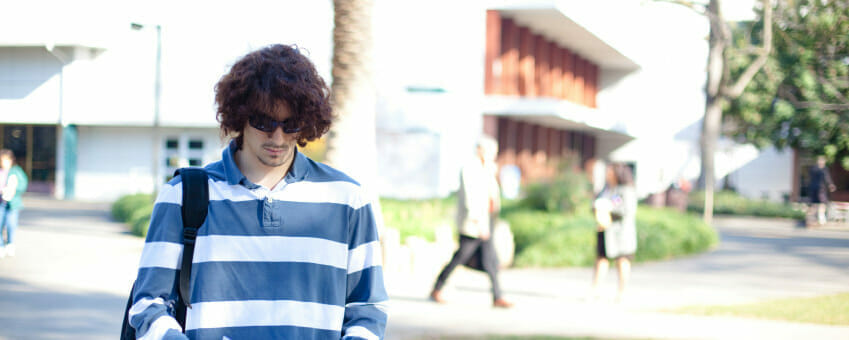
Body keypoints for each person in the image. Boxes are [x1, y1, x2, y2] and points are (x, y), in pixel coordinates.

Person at [128, 44, 388, 339]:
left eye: (291, 124)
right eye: (264, 122)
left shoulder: (347, 199)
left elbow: (367, 308)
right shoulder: (183, 196)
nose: (277, 137)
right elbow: (149, 304)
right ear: (240, 117)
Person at [429, 136, 513, 308]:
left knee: (490, 260)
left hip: (487, 220)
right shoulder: (469, 169)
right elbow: (470, 199)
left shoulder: (487, 169)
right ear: (480, 150)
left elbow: (492, 194)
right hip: (473, 224)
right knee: (460, 257)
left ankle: (497, 296)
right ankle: (437, 288)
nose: (493, 155)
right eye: (490, 152)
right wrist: (479, 223)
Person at [590, 163, 637, 302]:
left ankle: (622, 291)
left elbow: (626, 209)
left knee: (622, 261)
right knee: (601, 259)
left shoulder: (625, 191)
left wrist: (608, 207)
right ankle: (595, 288)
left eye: (609, 171)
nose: (607, 174)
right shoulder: (606, 189)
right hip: (604, 230)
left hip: (620, 233)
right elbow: (595, 202)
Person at [0, 149, 27, 258]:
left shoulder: (16, 171)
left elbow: (22, 184)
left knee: (11, 224)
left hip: (12, 203)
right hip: (0, 202)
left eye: (6, 160)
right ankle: (1, 245)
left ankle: (10, 243)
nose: (4, 163)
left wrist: (13, 190)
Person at [808, 155, 836, 225]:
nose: (821, 162)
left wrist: (830, 185)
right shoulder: (814, 169)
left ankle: (821, 217)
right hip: (814, 189)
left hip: (822, 190)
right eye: (820, 161)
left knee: (823, 203)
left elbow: (827, 178)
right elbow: (811, 178)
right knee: (814, 204)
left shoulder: (825, 169)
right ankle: (812, 218)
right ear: (818, 161)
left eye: (822, 161)